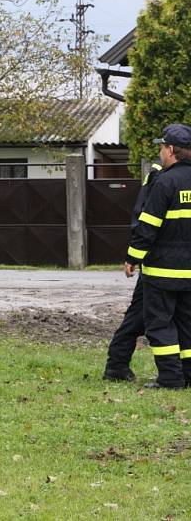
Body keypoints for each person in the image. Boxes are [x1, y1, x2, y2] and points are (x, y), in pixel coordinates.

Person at [124, 124, 191, 389]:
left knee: (159, 325)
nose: (161, 153)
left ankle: (171, 379)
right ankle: (187, 375)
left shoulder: (165, 182)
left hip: (162, 273)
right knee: (187, 325)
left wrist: (132, 258)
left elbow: (147, 227)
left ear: (171, 149)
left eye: (162, 147)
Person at [102, 161, 163, 382]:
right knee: (140, 316)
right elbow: (145, 221)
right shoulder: (160, 176)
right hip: (160, 265)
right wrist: (136, 256)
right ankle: (116, 366)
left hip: (168, 263)